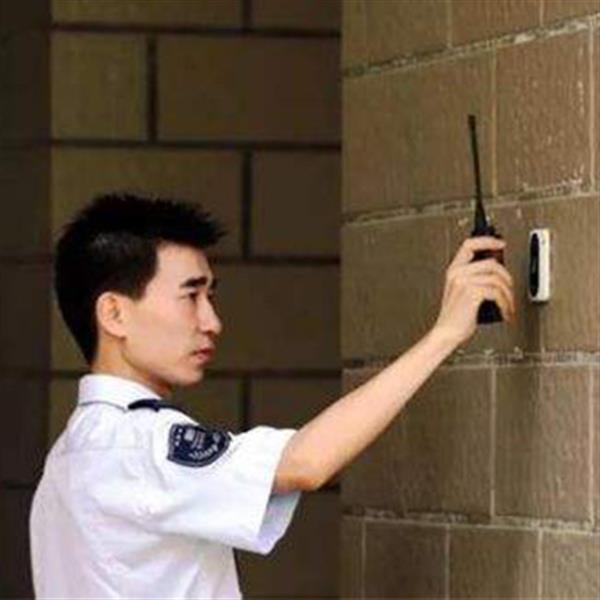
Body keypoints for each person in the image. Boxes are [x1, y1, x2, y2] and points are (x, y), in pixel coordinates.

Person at [29, 192, 515, 599]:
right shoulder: (136, 444)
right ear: (114, 314)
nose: (211, 322)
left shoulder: (70, 457)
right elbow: (304, 463)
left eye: (211, 296)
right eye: (190, 296)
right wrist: (444, 334)